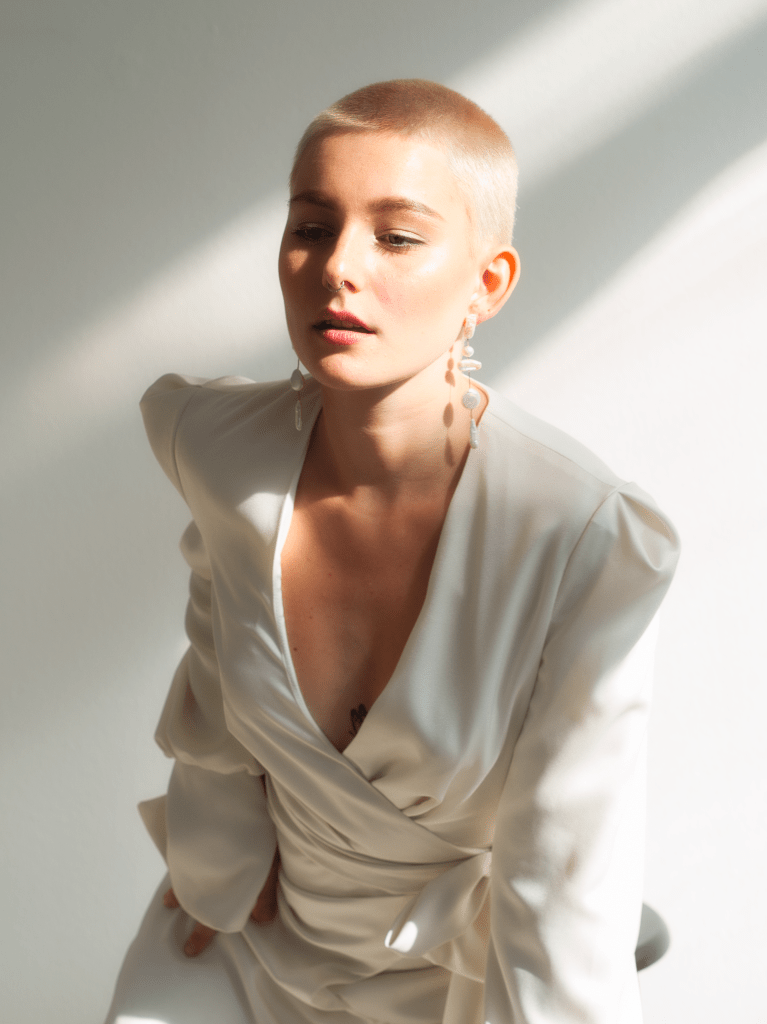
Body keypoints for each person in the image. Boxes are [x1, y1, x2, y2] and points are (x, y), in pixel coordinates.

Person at [104, 79, 679, 1024]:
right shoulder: (221, 450)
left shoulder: (583, 541)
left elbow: (564, 880)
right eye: (310, 227)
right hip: (250, 944)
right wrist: (215, 862)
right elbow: (216, 654)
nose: (338, 267)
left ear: (487, 285)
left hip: (460, 977)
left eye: (397, 237)